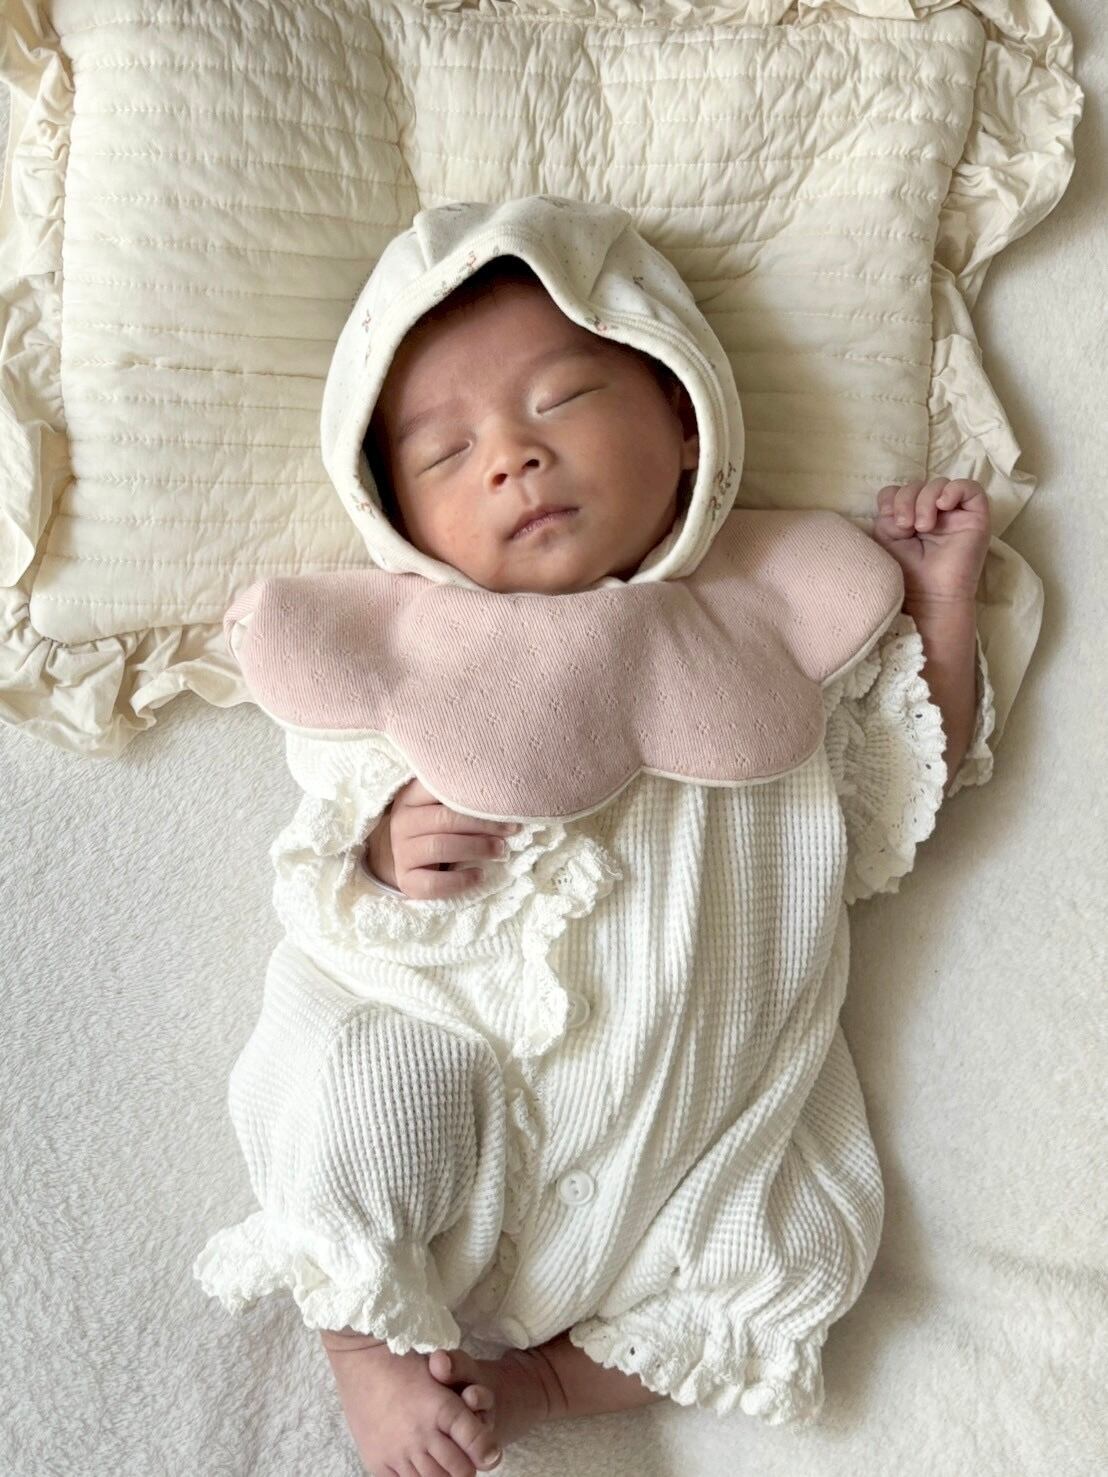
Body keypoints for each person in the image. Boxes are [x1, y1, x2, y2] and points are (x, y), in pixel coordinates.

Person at [194, 196, 995, 1477]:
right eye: (445, 453)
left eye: (561, 401)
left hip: (701, 1131)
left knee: (806, 1244)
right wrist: (382, 851)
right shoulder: (407, 660)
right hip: (466, 1074)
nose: (512, 457)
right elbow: (317, 865)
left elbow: (908, 779)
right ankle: (363, 1337)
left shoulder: (778, 624)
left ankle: (553, 1382)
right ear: (394, 514)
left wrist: (942, 603)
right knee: (364, 1085)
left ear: (681, 418)